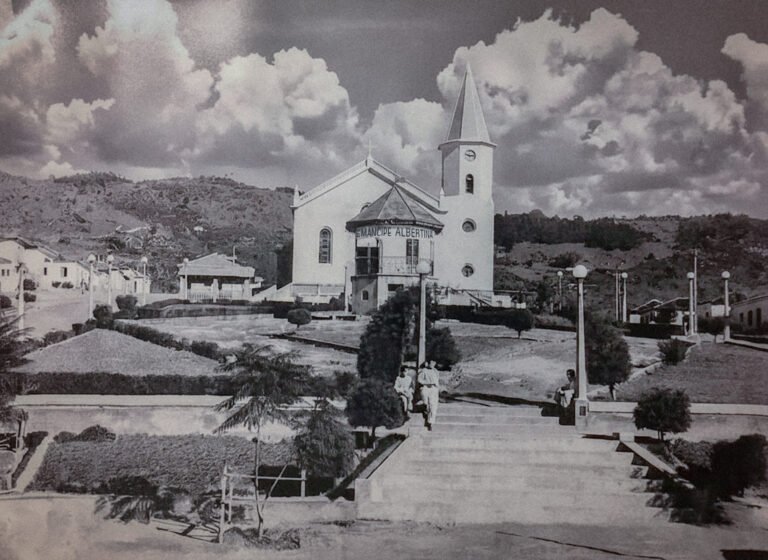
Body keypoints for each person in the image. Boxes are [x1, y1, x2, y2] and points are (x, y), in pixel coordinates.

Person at [417, 360, 440, 430]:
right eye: (431, 363)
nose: (432, 364)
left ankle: (430, 422)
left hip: (433, 388)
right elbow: (419, 380)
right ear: (428, 363)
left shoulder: (436, 371)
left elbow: (437, 380)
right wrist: (426, 383)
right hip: (426, 387)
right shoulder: (424, 370)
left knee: (433, 405)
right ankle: (425, 407)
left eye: (434, 363)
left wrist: (436, 387)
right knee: (426, 403)